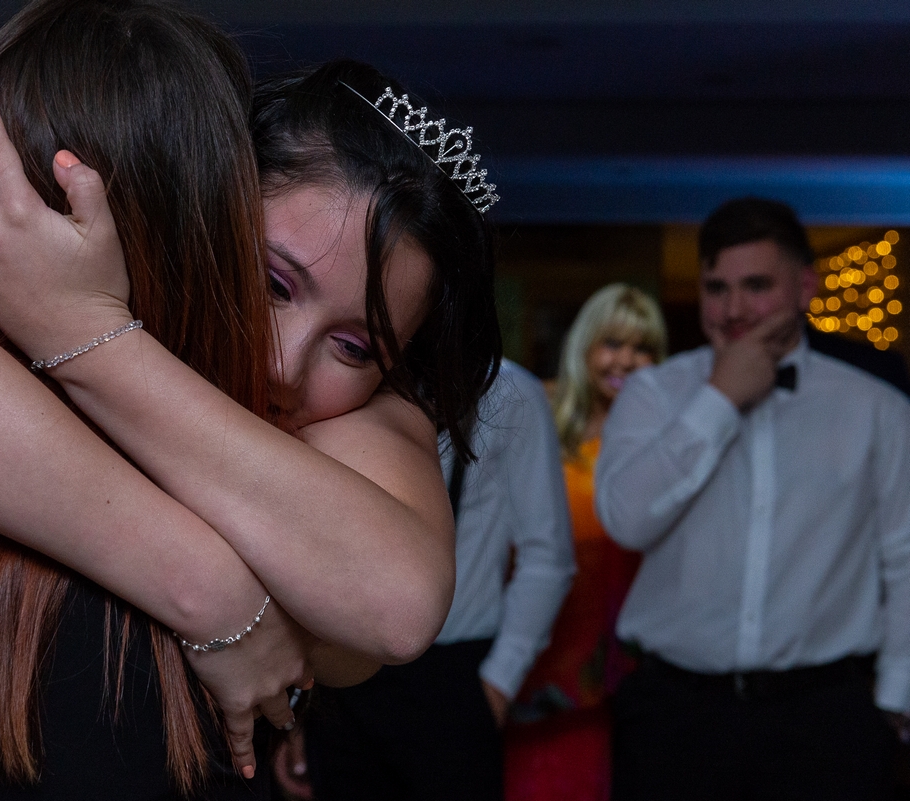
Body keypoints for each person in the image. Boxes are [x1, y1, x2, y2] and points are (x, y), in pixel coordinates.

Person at [0, 12, 502, 793]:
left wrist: (85, 331)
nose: (281, 364)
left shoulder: (355, 437)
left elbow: (395, 602)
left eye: (356, 347)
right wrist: (208, 584)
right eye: (271, 281)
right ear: (190, 221)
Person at [596, 197, 910, 801]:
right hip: (674, 717)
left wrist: (894, 700)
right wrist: (718, 398)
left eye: (757, 286)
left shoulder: (877, 409)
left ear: (805, 287)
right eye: (717, 288)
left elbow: (903, 558)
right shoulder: (653, 395)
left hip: (826, 720)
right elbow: (627, 522)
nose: (734, 309)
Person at [302, 357, 575, 801]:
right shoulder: (352, 373)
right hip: (340, 677)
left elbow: (547, 555)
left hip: (451, 684)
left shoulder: (511, 392)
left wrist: (496, 686)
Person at [503, 284, 666, 801]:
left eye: (644, 349)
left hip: (630, 661)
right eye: (613, 343)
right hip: (542, 649)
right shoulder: (538, 416)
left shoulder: (665, 436)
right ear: (585, 345)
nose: (627, 360)